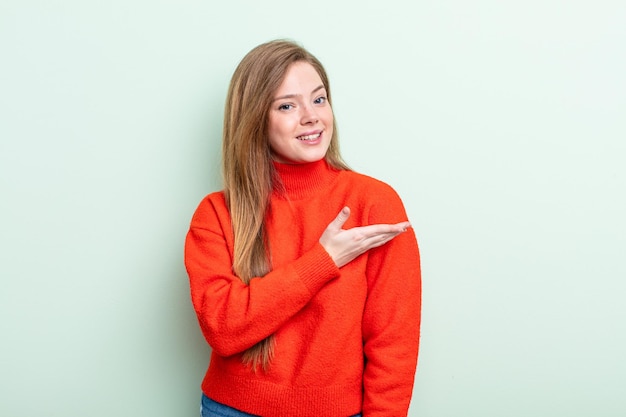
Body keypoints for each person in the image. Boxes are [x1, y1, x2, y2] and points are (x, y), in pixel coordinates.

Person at [184, 39, 421, 417]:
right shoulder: (216, 214)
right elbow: (223, 329)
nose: (311, 116)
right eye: (287, 106)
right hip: (232, 410)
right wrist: (322, 260)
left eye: (319, 99)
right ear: (254, 119)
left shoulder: (373, 203)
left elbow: (394, 341)